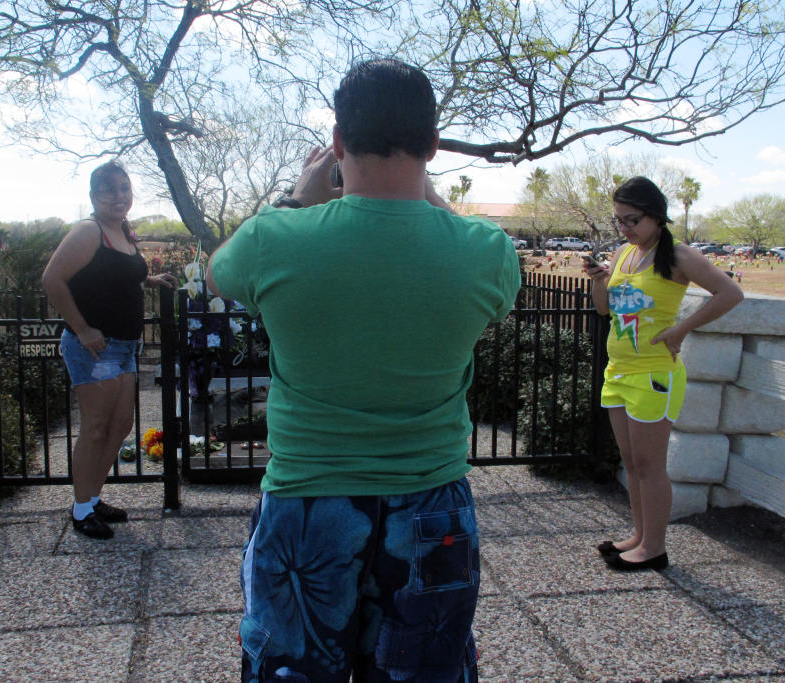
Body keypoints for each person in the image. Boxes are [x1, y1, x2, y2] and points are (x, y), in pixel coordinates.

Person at [207, 59, 521, 682]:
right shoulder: (486, 253)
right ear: (433, 144)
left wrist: (301, 193)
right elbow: (461, 245)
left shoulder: (276, 237)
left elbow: (217, 274)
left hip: (306, 501)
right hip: (435, 506)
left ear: (338, 142)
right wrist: (425, 192)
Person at [584, 176, 743, 571]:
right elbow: (605, 311)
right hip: (619, 371)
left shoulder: (679, 256)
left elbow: (730, 294)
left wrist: (682, 328)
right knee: (631, 461)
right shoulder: (624, 254)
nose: (624, 228)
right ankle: (639, 536)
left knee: (650, 464)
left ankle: (654, 548)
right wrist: (599, 281)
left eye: (632, 220)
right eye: (619, 220)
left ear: (656, 215)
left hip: (655, 374)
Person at [42, 160, 176, 539]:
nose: (118, 195)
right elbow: (52, 279)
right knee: (97, 427)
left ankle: (92, 498)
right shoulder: (89, 231)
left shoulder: (122, 230)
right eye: (108, 189)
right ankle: (81, 510)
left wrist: (149, 278)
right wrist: (82, 329)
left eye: (124, 187)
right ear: (93, 196)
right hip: (95, 349)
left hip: (125, 347)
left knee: (120, 426)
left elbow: (116, 274)